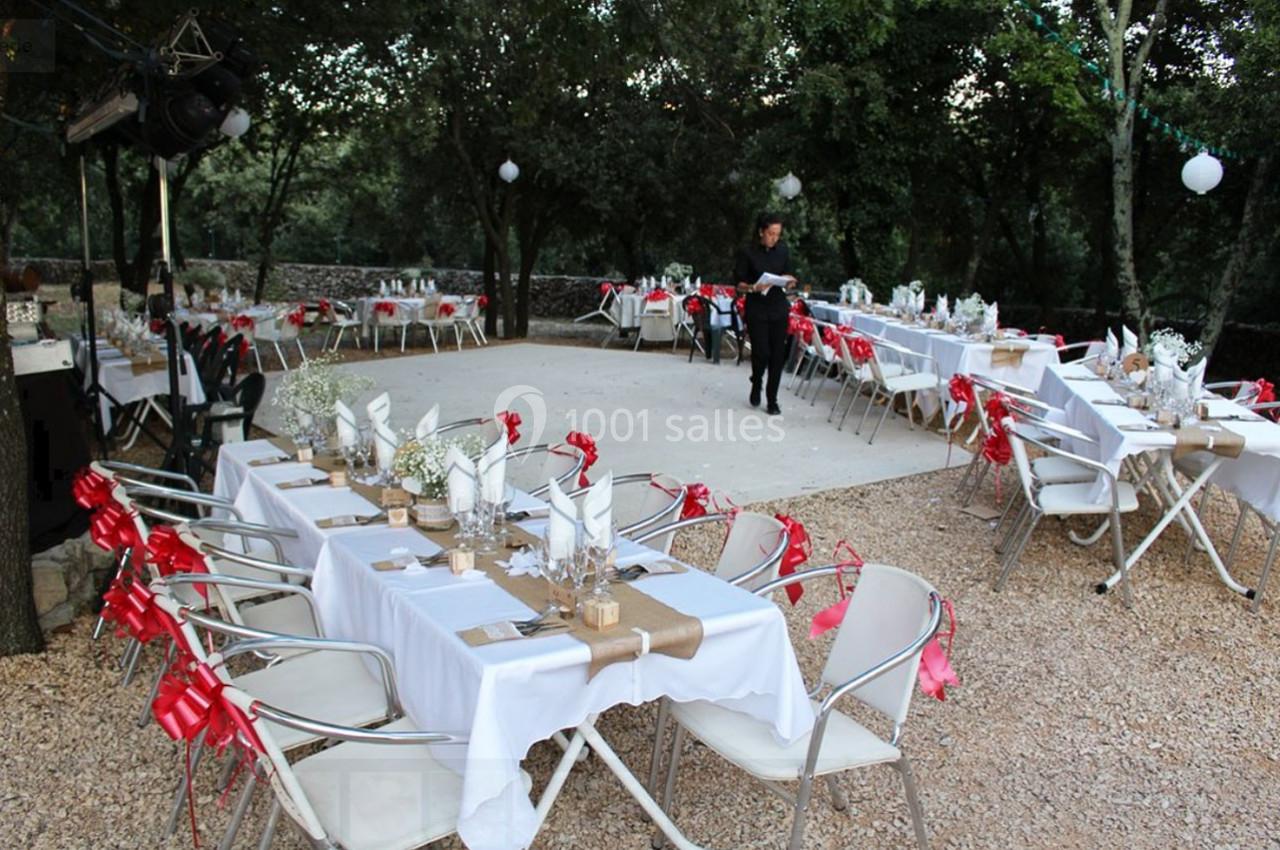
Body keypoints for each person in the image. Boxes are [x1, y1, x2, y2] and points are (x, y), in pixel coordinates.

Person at [734, 212, 796, 415]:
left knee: (777, 355)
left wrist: (790, 280)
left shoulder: (783, 251)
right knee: (762, 352)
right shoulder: (747, 252)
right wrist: (753, 287)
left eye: (777, 234)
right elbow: (739, 284)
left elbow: (789, 274)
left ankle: (772, 400)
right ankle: (757, 379)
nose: (774, 238)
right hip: (757, 308)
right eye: (771, 233)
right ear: (761, 231)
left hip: (778, 307)